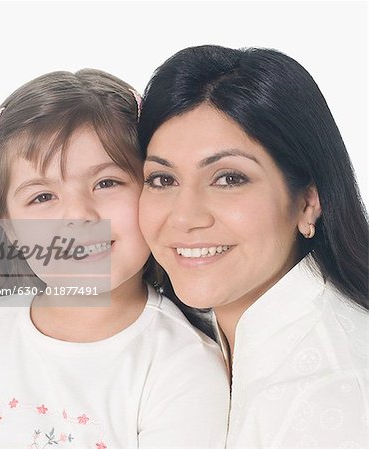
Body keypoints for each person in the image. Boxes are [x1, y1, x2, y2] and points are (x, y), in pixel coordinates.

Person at [0, 70, 229, 448]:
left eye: (107, 183)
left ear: (153, 188)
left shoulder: (183, 366)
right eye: (42, 197)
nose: (80, 215)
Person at [138, 45, 368, 449]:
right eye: (162, 180)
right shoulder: (187, 339)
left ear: (308, 201)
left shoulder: (329, 397)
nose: (185, 217)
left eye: (228, 178)